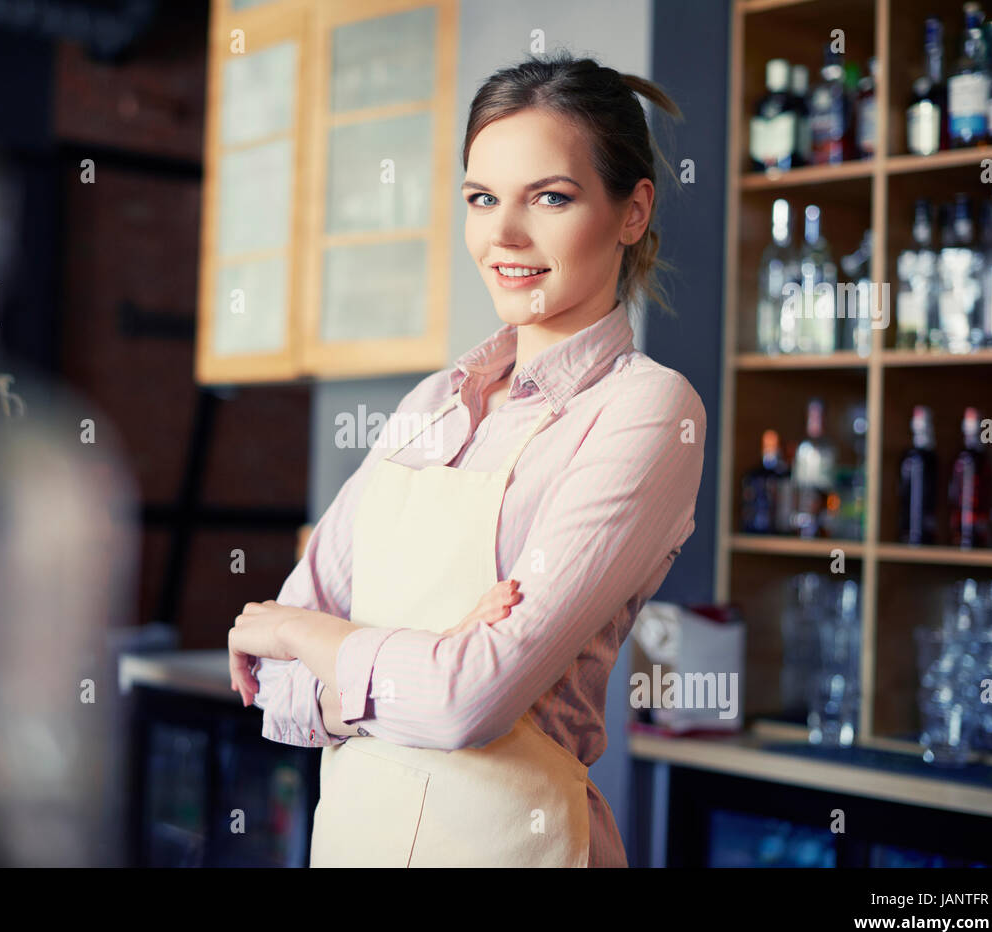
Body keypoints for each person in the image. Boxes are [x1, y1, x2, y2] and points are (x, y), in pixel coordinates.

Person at [227, 51, 704, 867]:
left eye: (550, 197)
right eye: (482, 198)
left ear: (632, 211)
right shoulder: (431, 405)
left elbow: (466, 700)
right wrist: (420, 659)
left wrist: (304, 631)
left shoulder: (648, 410)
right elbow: (272, 684)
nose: (504, 236)